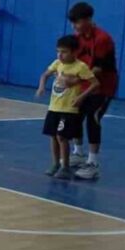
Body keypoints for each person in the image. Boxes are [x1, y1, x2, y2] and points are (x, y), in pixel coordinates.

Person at [67, 2, 118, 180]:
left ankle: (93, 162)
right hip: (83, 85)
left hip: (103, 87)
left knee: (92, 119)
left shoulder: (103, 39)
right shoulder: (78, 37)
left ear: (88, 20)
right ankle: (78, 152)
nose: (74, 26)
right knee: (74, 116)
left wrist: (77, 79)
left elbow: (98, 69)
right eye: (72, 23)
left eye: (77, 22)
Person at [36, 35, 98, 180]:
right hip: (54, 107)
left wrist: (81, 97)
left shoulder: (80, 67)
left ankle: (65, 167)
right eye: (58, 51)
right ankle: (55, 163)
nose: (60, 55)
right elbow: (45, 75)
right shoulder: (57, 63)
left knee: (62, 137)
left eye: (64, 52)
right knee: (52, 136)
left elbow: (95, 84)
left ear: (74, 52)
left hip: (68, 109)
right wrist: (41, 87)